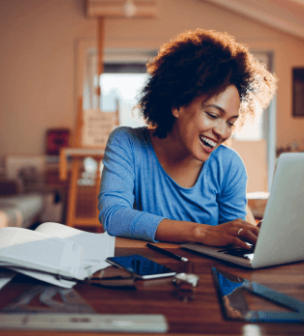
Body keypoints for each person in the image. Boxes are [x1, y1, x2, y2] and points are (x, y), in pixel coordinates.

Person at [98, 29, 278, 249]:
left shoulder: (229, 165)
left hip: (206, 280)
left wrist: (252, 237)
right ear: (177, 104)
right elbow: (114, 216)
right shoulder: (127, 143)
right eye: (213, 115)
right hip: (142, 275)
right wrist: (201, 232)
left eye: (230, 122)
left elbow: (231, 245)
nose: (223, 132)